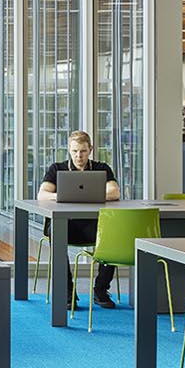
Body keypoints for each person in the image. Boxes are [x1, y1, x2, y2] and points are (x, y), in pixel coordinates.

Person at [38, 131, 120, 309]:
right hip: (66, 225)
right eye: (74, 151)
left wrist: (85, 195)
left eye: (83, 151)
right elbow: (42, 194)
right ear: (69, 150)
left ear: (90, 149)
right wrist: (64, 195)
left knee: (114, 233)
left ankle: (101, 289)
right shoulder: (57, 168)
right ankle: (67, 292)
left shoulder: (102, 168)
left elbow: (114, 192)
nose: (78, 156)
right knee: (56, 232)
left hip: (94, 226)